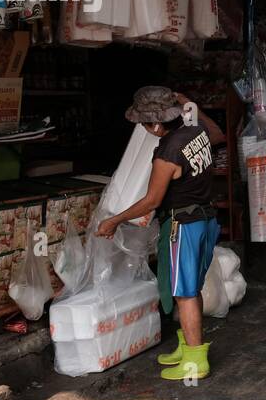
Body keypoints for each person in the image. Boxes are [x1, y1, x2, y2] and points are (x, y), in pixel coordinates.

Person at [96, 87, 224, 381]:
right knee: (189, 289)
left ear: (155, 124)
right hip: (205, 218)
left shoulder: (168, 151)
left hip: (185, 225)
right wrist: (190, 103)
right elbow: (218, 134)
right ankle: (187, 345)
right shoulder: (196, 131)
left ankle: (195, 363)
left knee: (185, 293)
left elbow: (152, 200)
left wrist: (114, 220)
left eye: (143, 123)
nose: (142, 129)